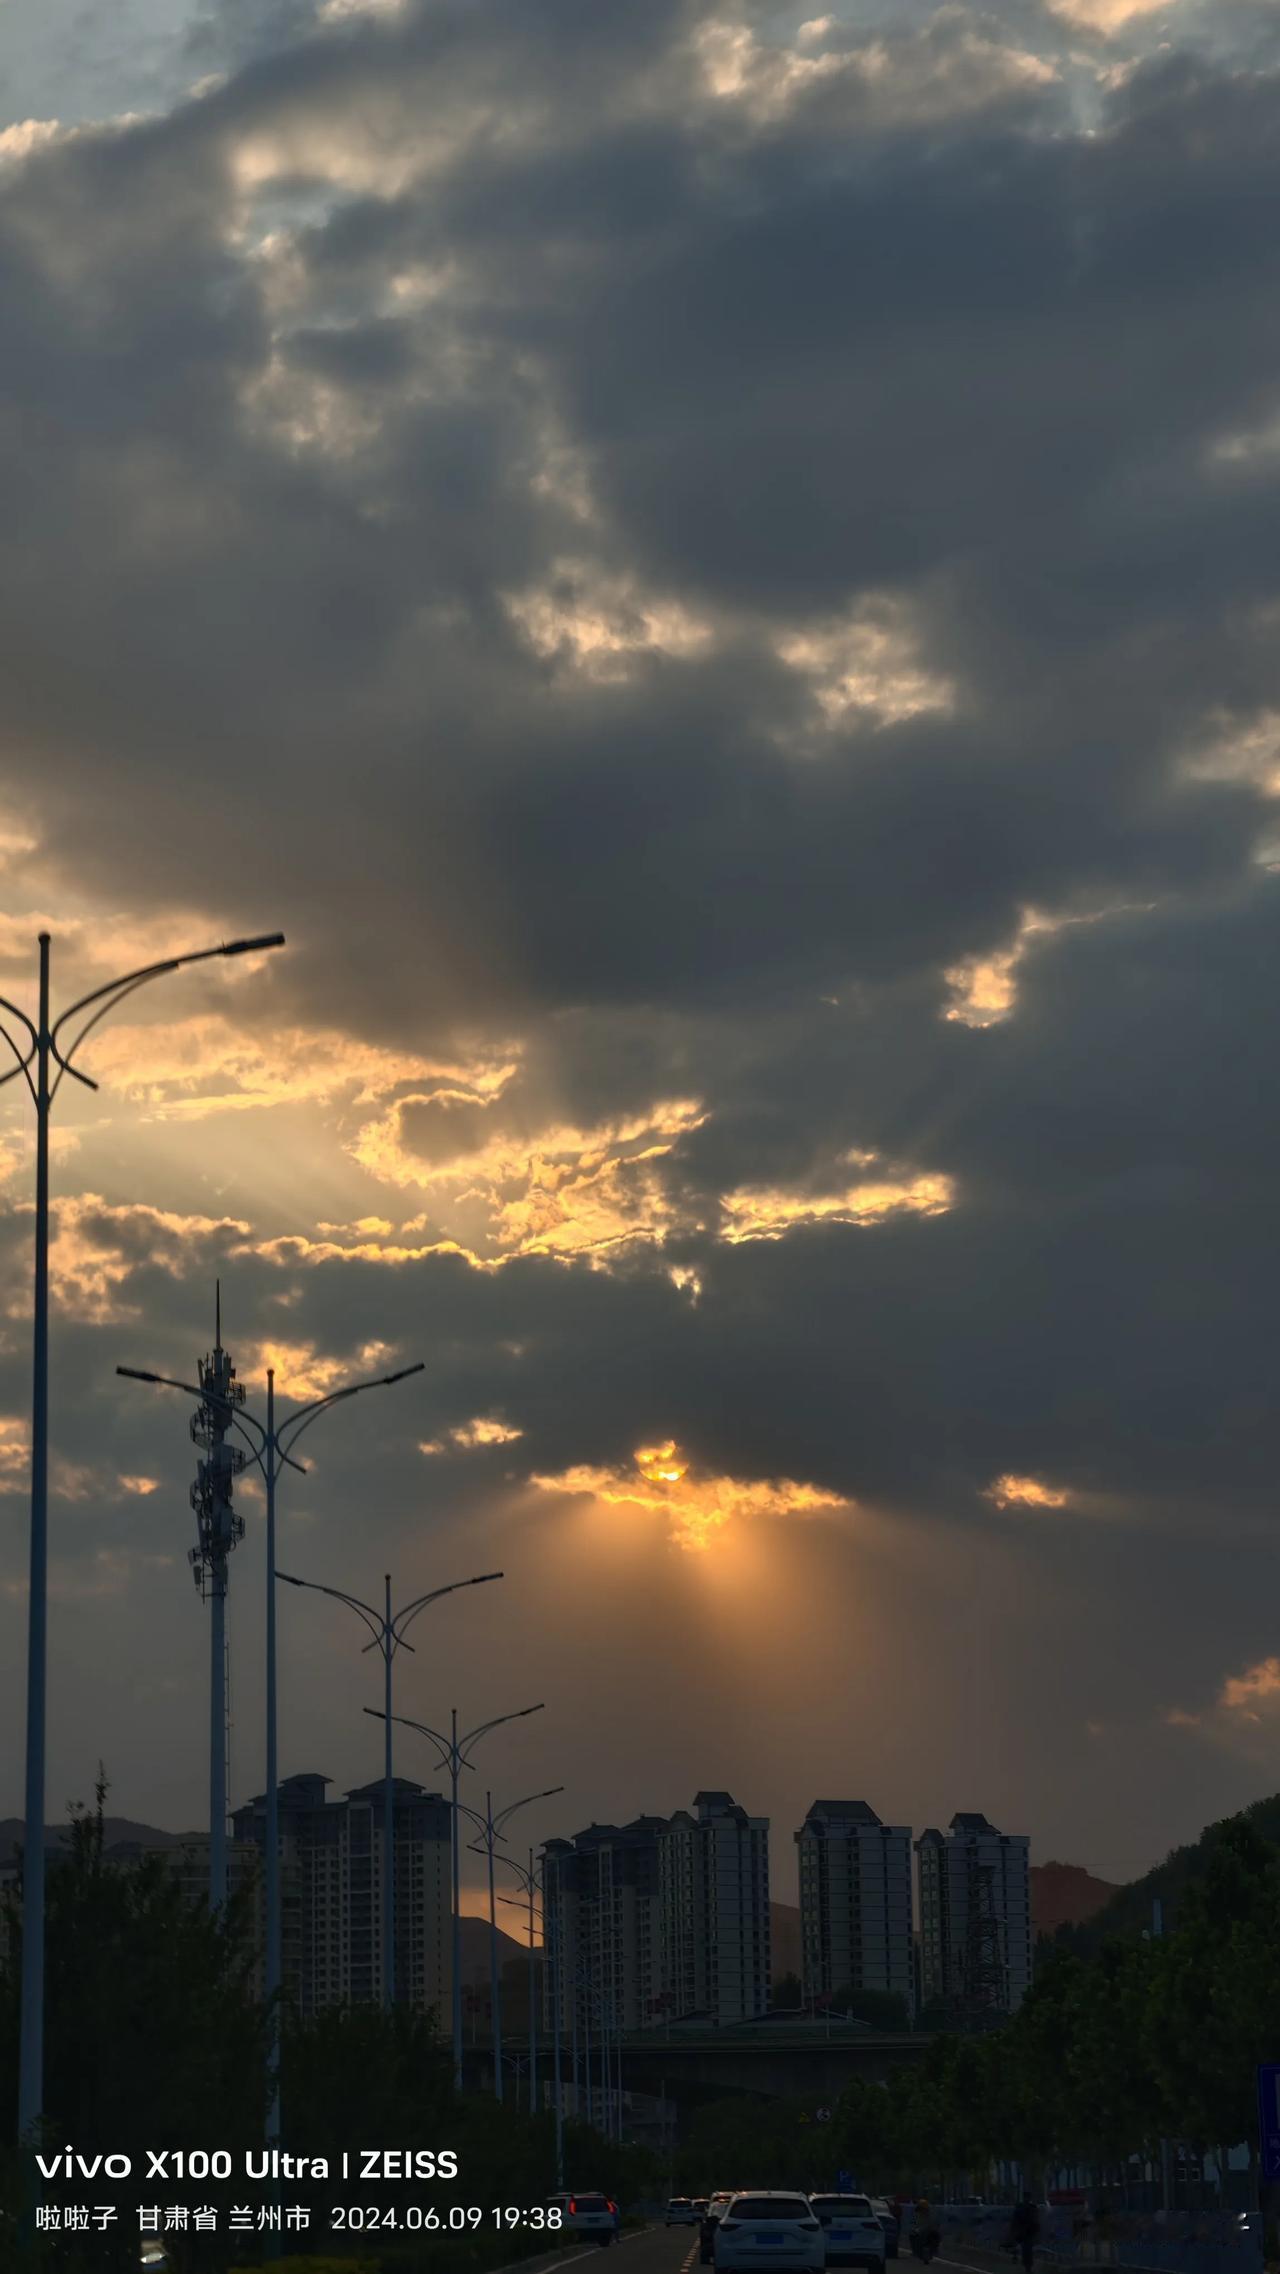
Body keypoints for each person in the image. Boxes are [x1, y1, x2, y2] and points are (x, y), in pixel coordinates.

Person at [1011, 2196, 1041, 2273]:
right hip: (1027, 2232)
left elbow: (1015, 2221)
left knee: (1025, 2248)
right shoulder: (1029, 2208)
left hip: (1026, 2232)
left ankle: (1026, 2265)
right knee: (1026, 2248)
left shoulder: (1022, 2209)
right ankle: (1027, 2265)